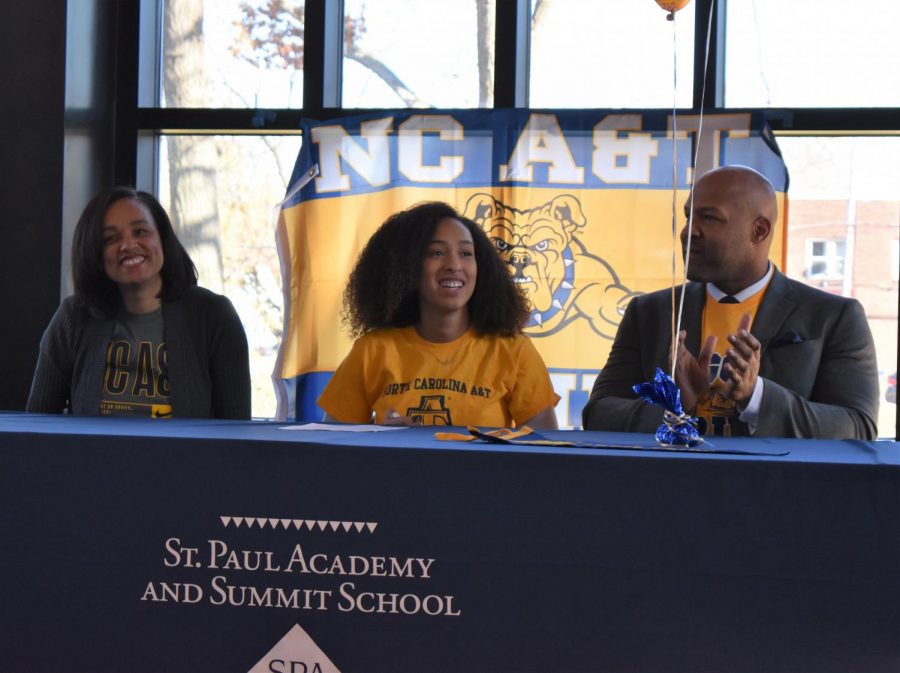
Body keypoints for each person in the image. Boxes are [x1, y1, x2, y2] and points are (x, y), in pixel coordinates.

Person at [582, 165, 879, 439]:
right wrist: (677, 404)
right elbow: (598, 414)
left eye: (709, 217)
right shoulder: (649, 313)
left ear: (759, 231)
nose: (689, 231)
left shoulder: (833, 317)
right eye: (689, 216)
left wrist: (757, 396)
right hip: (670, 489)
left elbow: (858, 427)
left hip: (776, 492)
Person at [318, 201, 559, 428]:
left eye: (466, 254)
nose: (454, 265)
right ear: (406, 267)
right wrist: (382, 439)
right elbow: (333, 449)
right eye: (436, 253)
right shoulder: (372, 350)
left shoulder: (514, 351)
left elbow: (545, 454)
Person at [27, 186, 251, 419]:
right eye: (111, 238)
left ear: (162, 239)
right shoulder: (73, 318)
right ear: (96, 254)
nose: (128, 244)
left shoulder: (214, 315)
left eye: (141, 231)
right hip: (92, 456)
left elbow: (235, 434)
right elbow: (36, 424)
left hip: (186, 457)